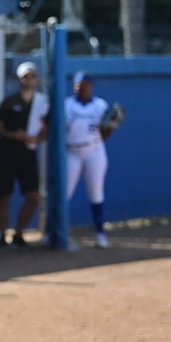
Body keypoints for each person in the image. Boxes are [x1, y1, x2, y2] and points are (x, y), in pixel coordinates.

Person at [0, 61, 49, 250]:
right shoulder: (9, 102)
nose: (30, 79)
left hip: (27, 155)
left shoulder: (42, 103)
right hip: (6, 154)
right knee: (4, 196)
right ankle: (2, 237)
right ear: (19, 79)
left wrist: (36, 138)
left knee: (34, 197)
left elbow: (46, 129)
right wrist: (13, 135)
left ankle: (18, 233)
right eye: (26, 76)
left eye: (33, 76)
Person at [64, 71, 116, 248]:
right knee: (64, 193)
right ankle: (57, 233)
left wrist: (112, 126)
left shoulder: (100, 106)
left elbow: (105, 134)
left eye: (85, 85)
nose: (81, 88)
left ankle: (100, 234)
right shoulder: (67, 105)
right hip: (72, 150)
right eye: (78, 85)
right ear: (74, 86)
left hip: (94, 149)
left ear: (91, 86)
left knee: (96, 192)